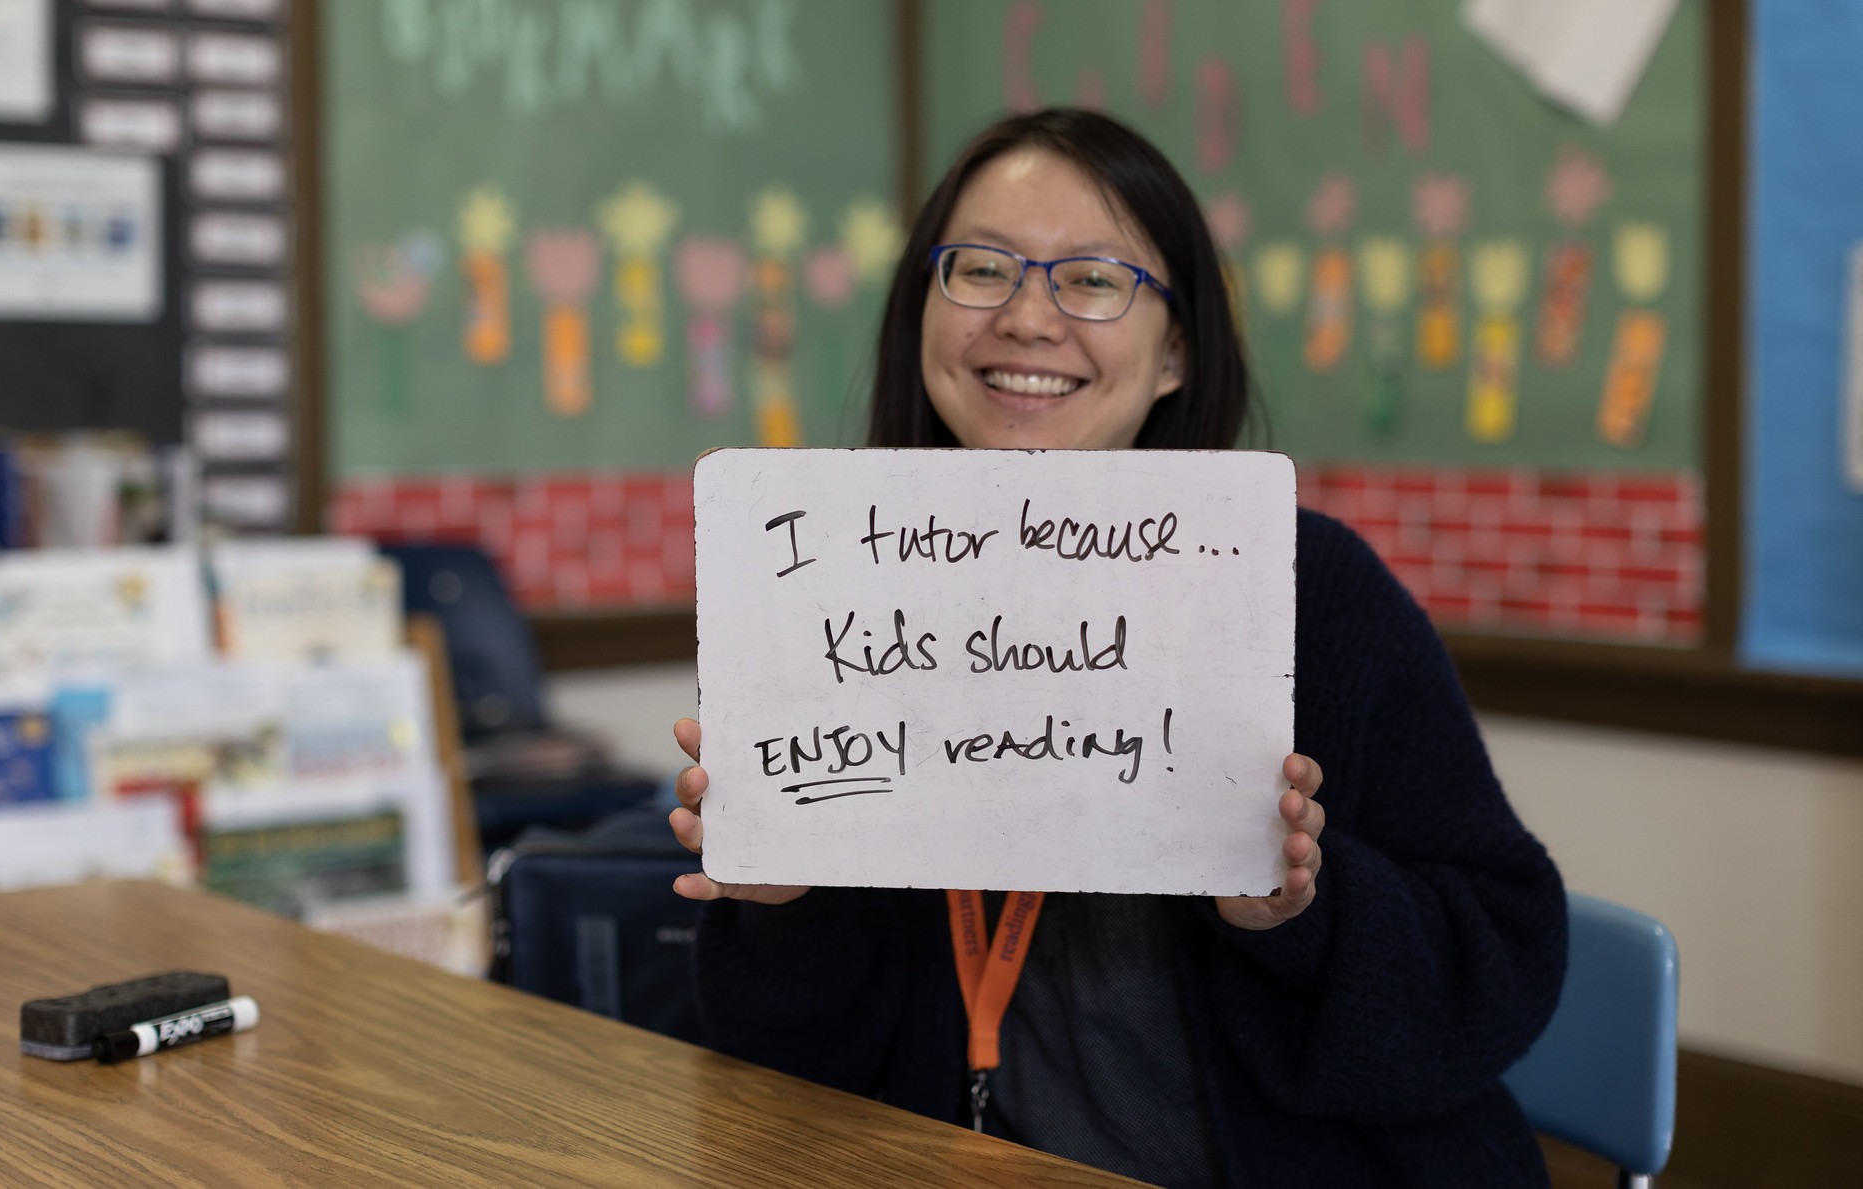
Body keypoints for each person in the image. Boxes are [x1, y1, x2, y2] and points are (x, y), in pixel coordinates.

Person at [666, 109, 1566, 1189]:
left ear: (1177, 349)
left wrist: (1300, 909)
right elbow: (781, 1069)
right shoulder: (842, 588)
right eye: (980, 269)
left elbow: (1502, 956)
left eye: (1092, 280)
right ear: (920, 312)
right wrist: (785, 903)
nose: (1027, 319)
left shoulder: (1308, 589)